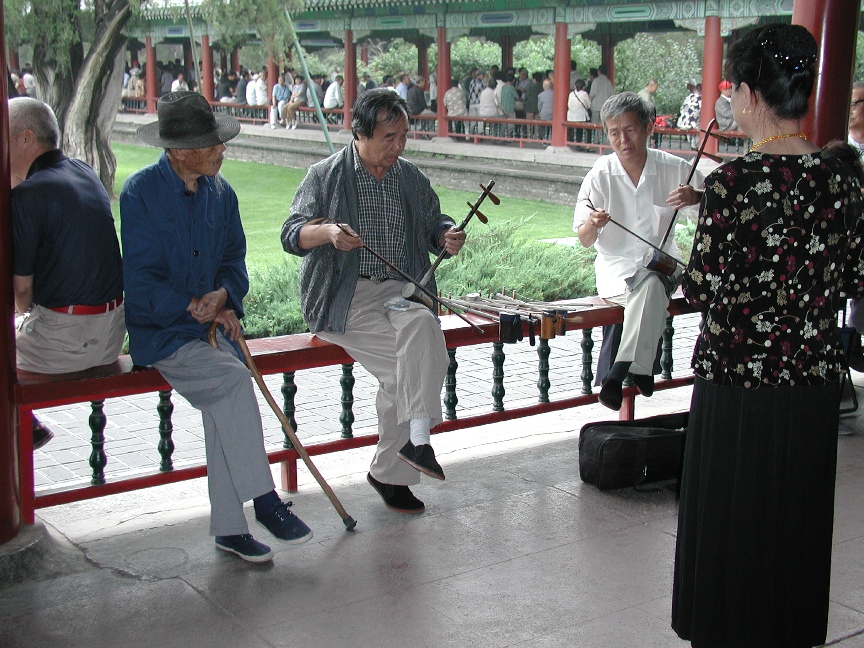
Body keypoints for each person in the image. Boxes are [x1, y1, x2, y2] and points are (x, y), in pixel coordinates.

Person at [671, 24, 864, 648]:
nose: (728, 100)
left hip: (737, 385)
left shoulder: (732, 184)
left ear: (751, 95)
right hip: (811, 383)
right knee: (796, 517)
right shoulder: (843, 180)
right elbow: (854, 276)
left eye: (731, 88)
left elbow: (700, 290)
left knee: (732, 521)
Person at [120, 91, 314, 563]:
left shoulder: (221, 194)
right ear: (180, 150)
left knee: (222, 405)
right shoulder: (139, 193)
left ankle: (229, 528)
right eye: (212, 143)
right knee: (230, 381)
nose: (222, 150)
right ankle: (265, 501)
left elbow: (233, 260)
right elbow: (140, 278)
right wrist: (191, 305)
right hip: (163, 333)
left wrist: (223, 297)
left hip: (210, 328)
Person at [282, 89, 466, 514]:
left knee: (423, 328)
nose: (398, 147)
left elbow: (432, 221)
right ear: (359, 134)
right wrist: (326, 233)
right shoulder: (326, 175)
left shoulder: (409, 176)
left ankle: (404, 456)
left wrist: (446, 234)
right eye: (389, 137)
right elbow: (291, 233)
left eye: (404, 136)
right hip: (344, 296)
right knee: (412, 366)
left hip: (400, 291)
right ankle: (398, 465)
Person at [573, 92, 703, 410]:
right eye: (614, 132)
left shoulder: (674, 168)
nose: (623, 139)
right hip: (616, 269)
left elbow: (714, 201)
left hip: (663, 263)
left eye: (630, 129)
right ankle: (642, 367)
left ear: (648, 128)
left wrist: (696, 196)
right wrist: (593, 222)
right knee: (649, 285)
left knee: (653, 278)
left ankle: (616, 372)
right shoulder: (599, 175)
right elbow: (584, 239)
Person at [10, 97, 126, 450]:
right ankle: (28, 427)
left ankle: (25, 432)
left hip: (69, 341)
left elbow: (21, 295)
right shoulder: (83, 170)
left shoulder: (29, 196)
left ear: (27, 139)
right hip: (111, 334)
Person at [588, 65, 614, 133]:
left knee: (594, 125)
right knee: (602, 126)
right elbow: (612, 96)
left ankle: (595, 141)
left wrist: (588, 103)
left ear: (599, 71)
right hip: (605, 107)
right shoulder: (609, 82)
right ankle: (601, 141)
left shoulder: (596, 81)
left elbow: (592, 94)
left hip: (595, 107)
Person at [677, 80, 702, 148]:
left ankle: (693, 144)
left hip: (683, 122)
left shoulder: (688, 97)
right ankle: (696, 146)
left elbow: (682, 109)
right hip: (694, 123)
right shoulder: (701, 99)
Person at [567, 78, 591, 145]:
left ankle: (575, 143)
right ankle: (587, 145)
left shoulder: (571, 94)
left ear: (575, 86)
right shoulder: (584, 94)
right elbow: (589, 105)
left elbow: (569, 105)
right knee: (589, 129)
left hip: (571, 116)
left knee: (577, 129)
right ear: (583, 87)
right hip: (581, 116)